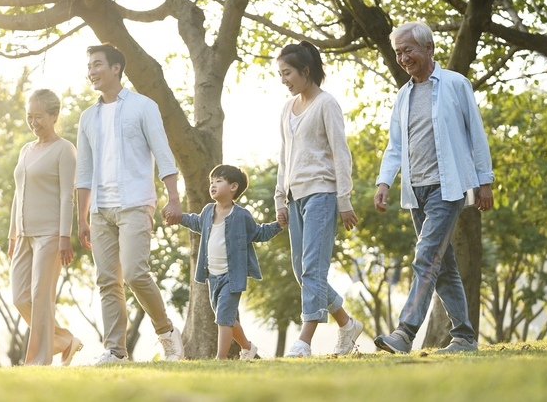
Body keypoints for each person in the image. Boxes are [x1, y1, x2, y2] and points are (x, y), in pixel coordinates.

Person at [373, 21, 494, 354]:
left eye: (408, 50)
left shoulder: (456, 84)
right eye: (398, 52)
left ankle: (404, 333)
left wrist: (485, 181)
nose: (403, 58)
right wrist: (385, 181)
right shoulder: (404, 95)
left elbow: (476, 135)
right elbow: (395, 145)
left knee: (425, 257)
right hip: (415, 191)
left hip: (447, 187)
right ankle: (465, 337)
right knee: (443, 265)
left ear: (428, 48)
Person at [76, 43, 185, 364]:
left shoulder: (143, 106)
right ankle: (116, 351)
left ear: (115, 68)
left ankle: (166, 333)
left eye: (97, 64)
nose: (91, 71)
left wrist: (173, 196)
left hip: (136, 202)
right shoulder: (87, 117)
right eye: (89, 66)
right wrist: (81, 218)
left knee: (136, 274)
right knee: (107, 281)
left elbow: (163, 152)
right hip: (100, 211)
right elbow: (84, 172)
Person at [274, 41, 364, 358]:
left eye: (287, 73)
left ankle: (304, 341)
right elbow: (285, 157)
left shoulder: (327, 104)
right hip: (295, 195)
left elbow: (341, 154)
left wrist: (344, 199)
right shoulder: (287, 109)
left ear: (305, 71)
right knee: (302, 272)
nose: (284, 80)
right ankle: (347, 323)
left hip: (323, 194)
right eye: (280, 74)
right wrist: (279, 199)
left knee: (313, 269)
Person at [8, 89, 83, 366]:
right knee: (19, 297)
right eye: (30, 116)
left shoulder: (65, 150)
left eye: (39, 116)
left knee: (41, 297)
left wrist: (65, 236)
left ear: (54, 115)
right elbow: (18, 193)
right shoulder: (26, 150)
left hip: (51, 234)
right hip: (24, 234)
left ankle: (37, 362)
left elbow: (67, 196)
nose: (34, 122)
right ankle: (64, 341)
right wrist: (12, 234)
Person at [177, 164, 283, 360]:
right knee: (226, 318)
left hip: (232, 277)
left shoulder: (241, 215)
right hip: (213, 276)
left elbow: (259, 233)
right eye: (211, 182)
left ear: (233, 187)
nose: (213, 185)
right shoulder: (208, 211)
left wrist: (279, 225)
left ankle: (220, 358)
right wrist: (179, 217)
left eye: (218, 181)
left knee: (223, 319)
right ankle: (248, 347)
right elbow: (195, 222)